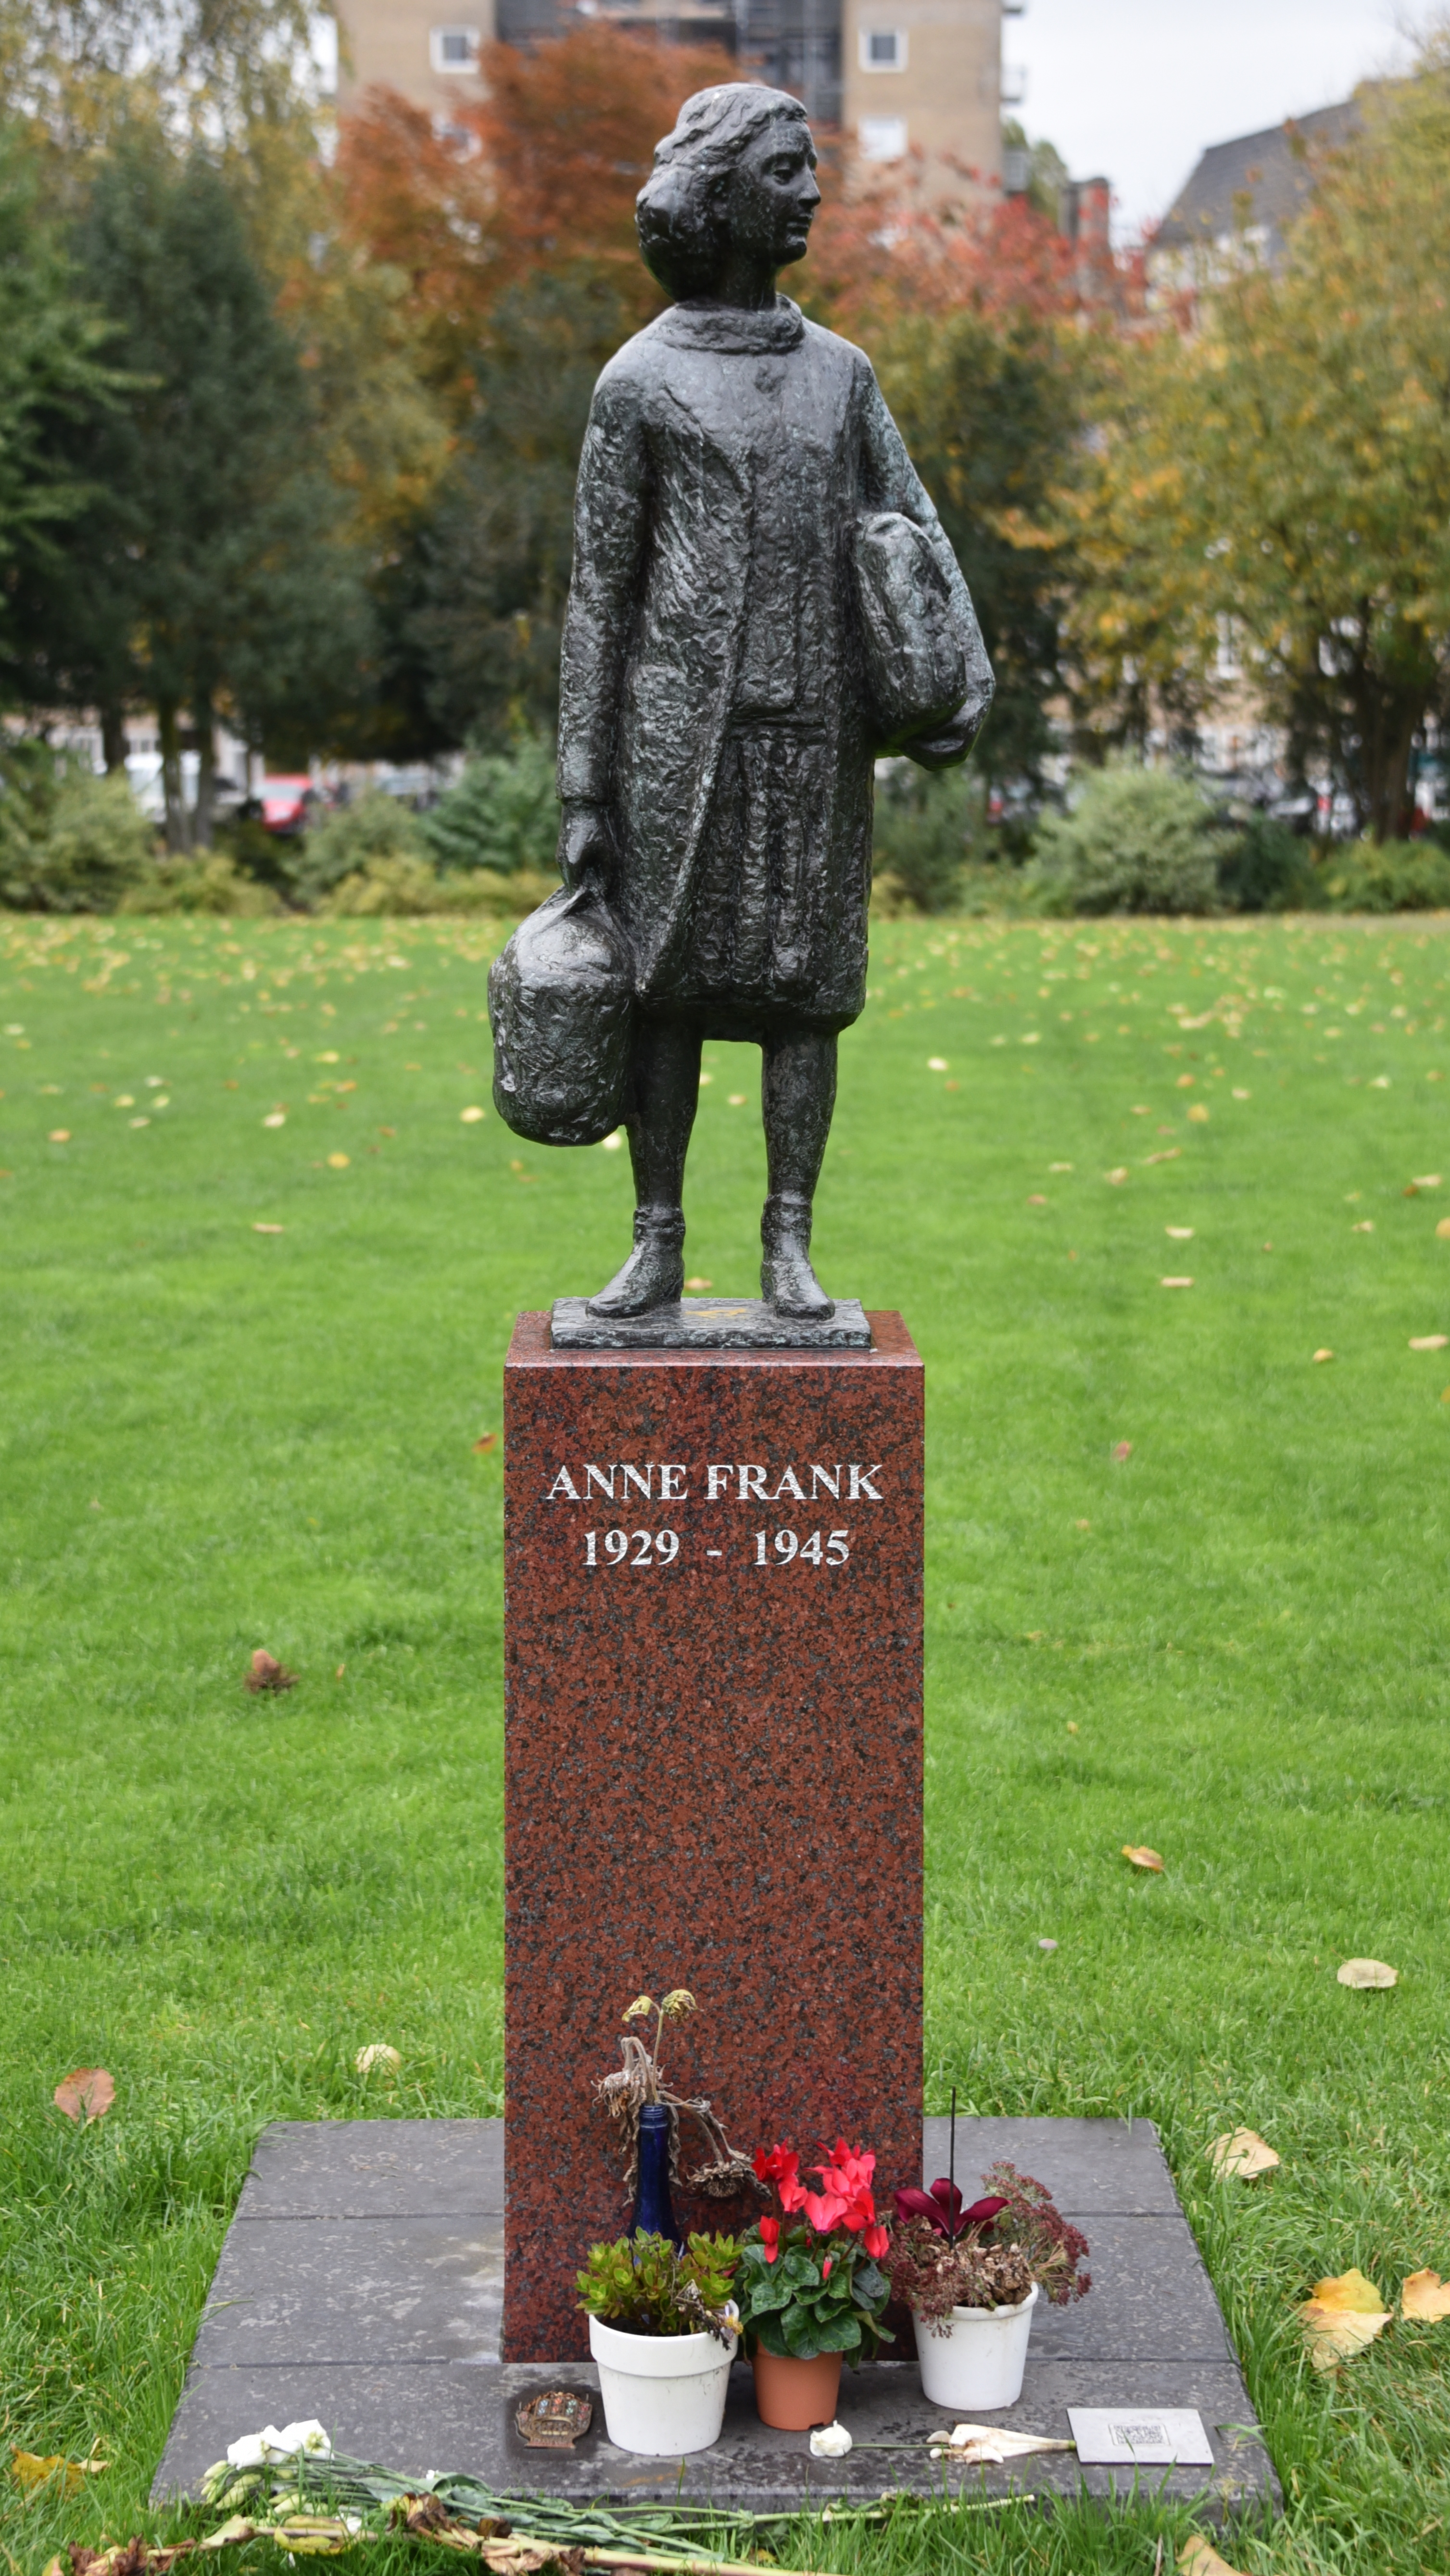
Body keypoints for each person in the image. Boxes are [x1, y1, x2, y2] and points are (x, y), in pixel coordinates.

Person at [557, 80, 993, 1319]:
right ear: (723, 191)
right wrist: (585, 788)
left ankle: (788, 1244)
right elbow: (600, 595)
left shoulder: (841, 375)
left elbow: (917, 529)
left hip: (817, 737)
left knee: (807, 998)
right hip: (670, 745)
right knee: (665, 994)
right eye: (789, 169)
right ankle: (655, 1240)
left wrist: (958, 671)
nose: (813, 190)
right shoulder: (637, 382)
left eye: (812, 168)